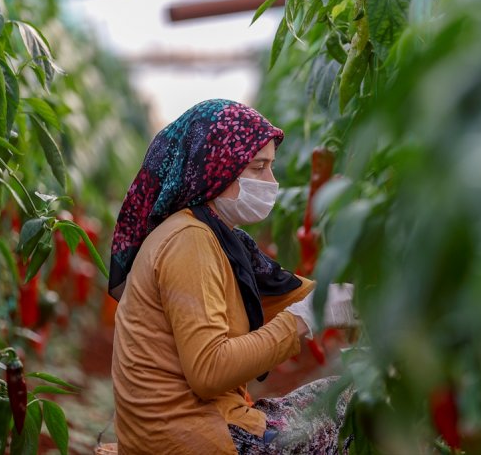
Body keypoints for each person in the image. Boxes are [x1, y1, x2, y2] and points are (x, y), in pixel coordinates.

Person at [108, 99, 357, 454]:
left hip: (191, 425)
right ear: (217, 168)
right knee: (359, 415)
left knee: (343, 392)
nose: (271, 182)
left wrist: (356, 301)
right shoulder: (189, 241)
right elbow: (209, 371)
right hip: (186, 437)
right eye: (258, 168)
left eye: (270, 167)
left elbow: (293, 296)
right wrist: (303, 319)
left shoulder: (216, 237)